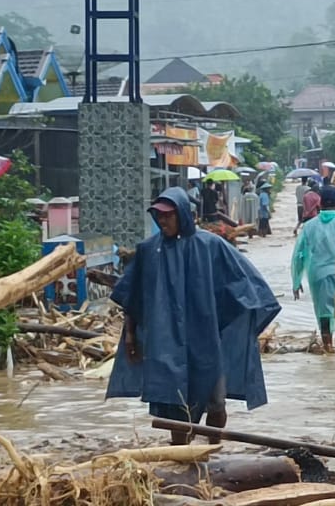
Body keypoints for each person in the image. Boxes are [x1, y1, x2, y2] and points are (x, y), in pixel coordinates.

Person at [107, 187, 281, 445]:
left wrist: (238, 323)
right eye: (158, 216)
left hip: (207, 340)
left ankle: (213, 448)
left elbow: (245, 284)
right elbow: (134, 296)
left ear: (182, 215)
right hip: (167, 342)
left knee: (216, 401)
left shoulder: (210, 245)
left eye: (168, 215)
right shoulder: (149, 250)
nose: (162, 221)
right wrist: (131, 335)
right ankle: (181, 453)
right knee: (174, 402)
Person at [292, 186, 335, 354]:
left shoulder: (308, 227)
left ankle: (328, 347)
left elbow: (298, 254)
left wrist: (296, 281)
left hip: (318, 274)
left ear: (320, 204)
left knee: (323, 312)